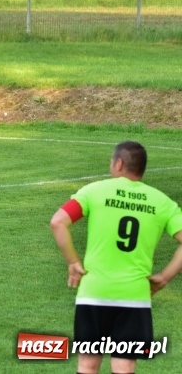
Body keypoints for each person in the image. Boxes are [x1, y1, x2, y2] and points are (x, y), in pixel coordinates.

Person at [50, 141, 182, 374]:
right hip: (134, 296)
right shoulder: (162, 202)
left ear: (119, 163)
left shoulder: (94, 191)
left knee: (88, 365)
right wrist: (165, 276)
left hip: (94, 293)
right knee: (124, 366)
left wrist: (73, 262)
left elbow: (58, 222)